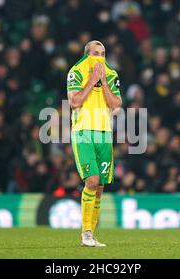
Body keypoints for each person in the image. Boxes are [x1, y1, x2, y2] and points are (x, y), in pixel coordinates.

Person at [67, 40, 122, 247]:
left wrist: (104, 82)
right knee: (92, 180)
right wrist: (92, 79)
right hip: (83, 132)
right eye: (96, 53)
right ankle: (86, 233)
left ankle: (91, 234)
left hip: (104, 134)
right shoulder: (77, 71)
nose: (100, 57)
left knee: (99, 187)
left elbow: (116, 105)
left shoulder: (112, 73)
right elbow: (74, 101)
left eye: (103, 53)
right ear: (87, 55)